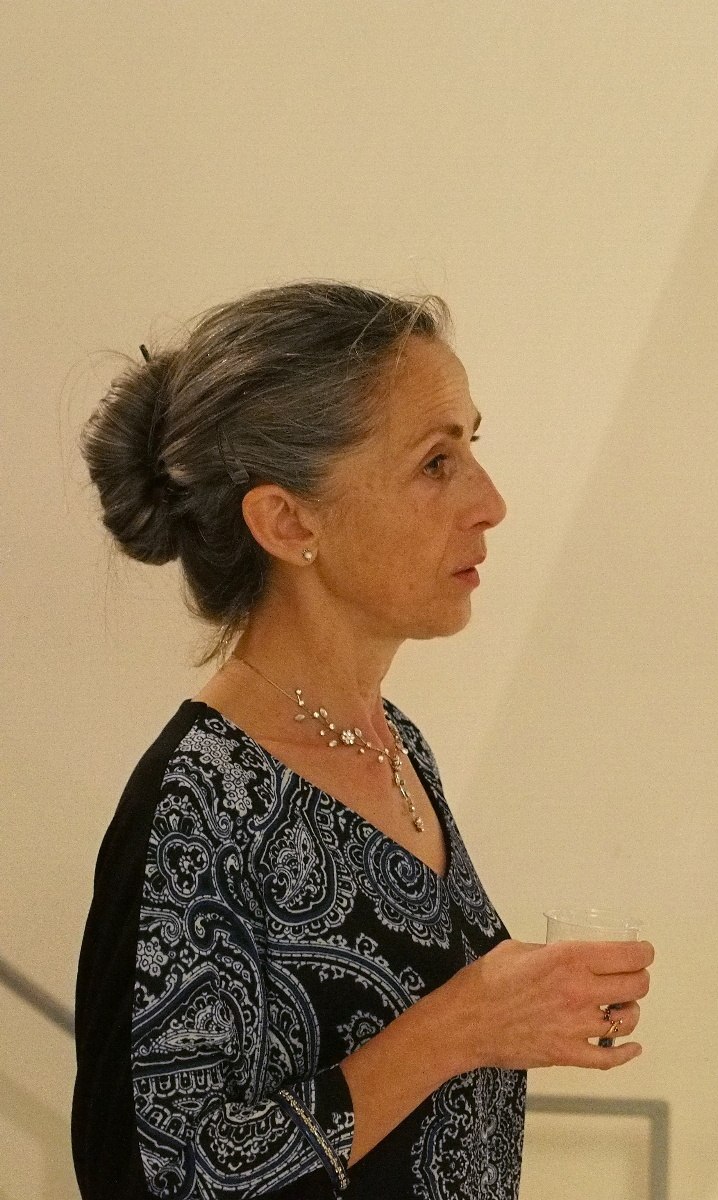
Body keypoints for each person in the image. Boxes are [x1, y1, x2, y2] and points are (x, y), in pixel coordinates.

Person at [73, 281, 654, 1199]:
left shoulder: (394, 744)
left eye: (472, 447)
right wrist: (463, 1024)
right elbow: (152, 1173)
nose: (491, 502)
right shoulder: (196, 805)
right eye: (435, 462)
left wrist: (521, 1009)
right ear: (288, 521)